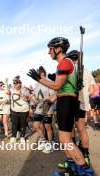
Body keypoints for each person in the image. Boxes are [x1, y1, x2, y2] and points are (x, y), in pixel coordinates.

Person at [27, 37, 93, 175]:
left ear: (58, 49)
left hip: (66, 103)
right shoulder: (66, 63)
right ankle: (76, 168)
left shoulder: (64, 63)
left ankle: (85, 170)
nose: (48, 52)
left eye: (50, 49)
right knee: (66, 140)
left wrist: (40, 79)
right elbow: (61, 88)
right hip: (67, 102)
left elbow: (57, 86)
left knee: (65, 140)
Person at [57, 50, 95, 168]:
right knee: (81, 129)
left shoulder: (70, 69)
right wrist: (85, 98)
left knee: (69, 131)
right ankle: (85, 155)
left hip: (71, 102)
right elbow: (92, 90)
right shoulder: (87, 70)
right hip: (81, 104)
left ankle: (72, 159)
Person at [31, 66, 55, 154]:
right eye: (40, 75)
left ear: (45, 74)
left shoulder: (49, 83)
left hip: (48, 107)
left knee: (47, 126)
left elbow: (53, 95)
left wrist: (45, 100)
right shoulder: (37, 84)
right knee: (36, 125)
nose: (42, 77)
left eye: (43, 75)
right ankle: (43, 140)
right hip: (39, 108)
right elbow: (34, 95)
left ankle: (50, 144)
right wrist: (33, 98)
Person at [10, 77, 30, 143]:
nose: (15, 84)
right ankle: (13, 137)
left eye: (16, 83)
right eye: (14, 83)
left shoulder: (25, 90)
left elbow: (26, 99)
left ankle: (22, 137)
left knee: (23, 124)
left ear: (20, 83)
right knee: (14, 123)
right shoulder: (11, 90)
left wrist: (20, 94)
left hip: (24, 109)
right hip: (14, 109)